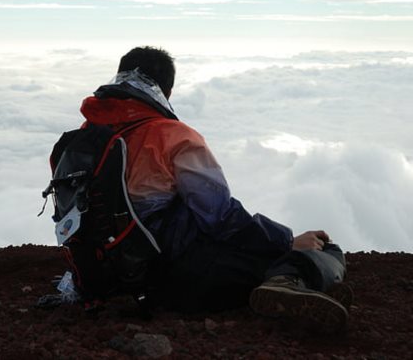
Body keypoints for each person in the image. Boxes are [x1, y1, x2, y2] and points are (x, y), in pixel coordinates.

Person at [78, 46, 350, 331]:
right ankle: (289, 281)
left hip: (105, 279)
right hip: (181, 278)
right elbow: (220, 216)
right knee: (324, 250)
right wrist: (287, 241)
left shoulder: (87, 138)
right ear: (167, 92)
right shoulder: (173, 136)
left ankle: (303, 284)